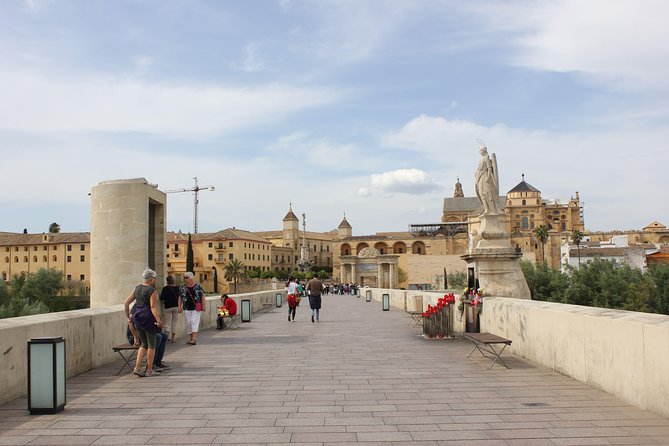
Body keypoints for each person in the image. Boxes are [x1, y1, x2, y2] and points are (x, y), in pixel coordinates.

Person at [124, 268, 164, 377]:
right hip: (148, 318)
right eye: (154, 278)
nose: (155, 280)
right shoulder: (152, 290)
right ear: (151, 279)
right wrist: (159, 321)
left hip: (137, 318)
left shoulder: (137, 288)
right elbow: (152, 307)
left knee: (144, 344)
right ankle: (149, 370)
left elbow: (126, 303)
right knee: (151, 345)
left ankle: (137, 367)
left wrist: (128, 317)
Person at [474, 144, 501, 216]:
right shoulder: (481, 160)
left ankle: (491, 210)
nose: (479, 152)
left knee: (486, 193)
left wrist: (488, 177)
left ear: (484, 150)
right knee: (481, 193)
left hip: (484, 177)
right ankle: (486, 209)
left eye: (480, 150)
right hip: (479, 178)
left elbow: (489, 168)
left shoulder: (486, 158)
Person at [181, 271, 205, 345]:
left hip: (196, 308)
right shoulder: (183, 287)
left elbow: (202, 296)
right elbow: (180, 297)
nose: (185, 279)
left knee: (194, 322)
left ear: (191, 278)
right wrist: (179, 306)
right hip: (186, 307)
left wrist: (204, 305)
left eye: (186, 277)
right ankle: (191, 338)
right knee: (189, 323)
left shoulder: (198, 287)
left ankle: (194, 339)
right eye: (184, 277)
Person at [159, 275, 181, 343]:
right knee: (174, 323)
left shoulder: (165, 288)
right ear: (174, 281)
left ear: (167, 281)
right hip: (176, 307)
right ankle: (173, 338)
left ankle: (167, 338)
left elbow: (161, 298)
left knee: (166, 323)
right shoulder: (178, 288)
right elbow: (180, 297)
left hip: (167, 307)